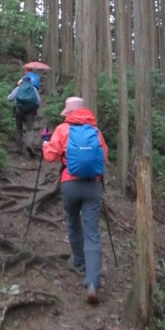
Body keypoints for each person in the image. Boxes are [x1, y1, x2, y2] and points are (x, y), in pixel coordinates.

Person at [41, 96, 108, 305]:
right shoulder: (95, 132)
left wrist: (45, 142)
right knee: (92, 232)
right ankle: (92, 283)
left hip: (70, 184)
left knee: (72, 223)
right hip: (93, 186)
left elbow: (50, 156)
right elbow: (103, 156)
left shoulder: (62, 130)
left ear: (68, 113)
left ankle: (78, 261)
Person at [8, 72, 41, 157]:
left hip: (19, 110)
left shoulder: (19, 88)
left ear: (22, 81)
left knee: (19, 128)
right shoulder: (33, 88)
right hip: (30, 112)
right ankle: (29, 145)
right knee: (30, 129)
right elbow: (38, 101)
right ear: (30, 82)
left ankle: (19, 148)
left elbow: (10, 98)